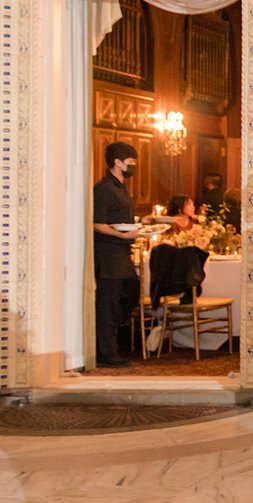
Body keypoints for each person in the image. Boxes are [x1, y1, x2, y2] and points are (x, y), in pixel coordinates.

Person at [91, 141, 142, 369]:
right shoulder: (103, 188)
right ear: (118, 162)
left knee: (130, 292)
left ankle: (112, 344)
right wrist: (121, 236)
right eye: (130, 162)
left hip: (122, 252)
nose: (133, 166)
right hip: (108, 252)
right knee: (108, 303)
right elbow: (97, 223)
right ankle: (106, 352)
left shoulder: (122, 187)